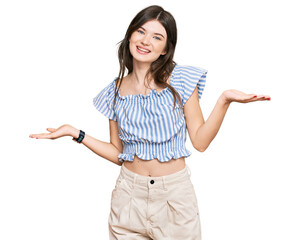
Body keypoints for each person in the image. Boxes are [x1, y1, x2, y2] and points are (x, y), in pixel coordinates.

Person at [29, 5, 271, 240]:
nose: (146, 41)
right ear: (130, 35)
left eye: (157, 37)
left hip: (174, 197)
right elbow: (118, 153)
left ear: (165, 48)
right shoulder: (114, 92)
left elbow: (200, 141)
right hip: (128, 197)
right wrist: (75, 132)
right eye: (141, 32)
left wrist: (224, 100)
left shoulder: (182, 80)